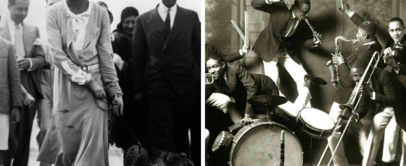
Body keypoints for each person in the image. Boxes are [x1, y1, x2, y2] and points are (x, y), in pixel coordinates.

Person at [44, 0, 123, 165]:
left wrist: (115, 92)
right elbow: (57, 56)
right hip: (66, 90)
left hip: (96, 95)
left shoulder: (100, 13)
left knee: (92, 156)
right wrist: (89, 82)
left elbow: (106, 56)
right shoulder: (53, 12)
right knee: (67, 154)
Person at [131, 0, 200, 158]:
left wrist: (194, 74)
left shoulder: (191, 16)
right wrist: (138, 89)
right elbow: (138, 57)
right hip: (157, 87)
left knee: (181, 136)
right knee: (161, 138)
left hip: (184, 86)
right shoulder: (143, 20)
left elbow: (198, 51)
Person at [250, 0, 326, 118]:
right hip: (270, 49)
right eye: (304, 12)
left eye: (308, 12)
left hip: (286, 52)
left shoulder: (304, 20)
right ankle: (293, 113)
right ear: (295, 9)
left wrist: (314, 42)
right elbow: (254, 4)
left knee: (304, 79)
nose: (306, 15)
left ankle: (306, 114)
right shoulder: (279, 8)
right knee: (273, 84)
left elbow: (305, 42)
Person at [0, 0, 47, 165]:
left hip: (27, 84)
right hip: (4, 87)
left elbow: (42, 58)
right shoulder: (0, 27)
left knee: (24, 135)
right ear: (9, 7)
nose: (23, 13)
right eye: (19, 9)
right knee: (5, 135)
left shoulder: (33, 30)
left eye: (26, 9)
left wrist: (29, 62)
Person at [361, 17, 406, 166]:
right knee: (377, 125)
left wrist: (396, 65)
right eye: (392, 30)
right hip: (393, 94)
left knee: (404, 138)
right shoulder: (389, 43)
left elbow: (398, 67)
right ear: (388, 31)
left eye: (398, 29)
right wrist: (382, 58)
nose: (395, 33)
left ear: (404, 29)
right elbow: (381, 63)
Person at [110, 6, 143, 150]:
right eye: (127, 22)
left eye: (134, 22)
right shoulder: (117, 38)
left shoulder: (143, 37)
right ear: (121, 23)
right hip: (124, 95)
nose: (130, 26)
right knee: (128, 140)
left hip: (140, 94)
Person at [0, 36, 22, 166]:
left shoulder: (7, 46)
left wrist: (16, 106)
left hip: (2, 106)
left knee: (2, 146)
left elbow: (14, 78)